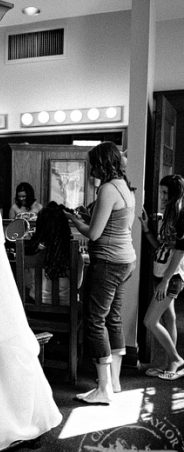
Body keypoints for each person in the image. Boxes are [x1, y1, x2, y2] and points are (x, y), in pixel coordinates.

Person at [65, 142, 136, 405]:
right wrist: (90, 214)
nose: (91, 167)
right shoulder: (125, 188)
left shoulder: (107, 189)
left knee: (95, 320)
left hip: (108, 262)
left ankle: (103, 389)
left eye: (94, 162)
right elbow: (117, 225)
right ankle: (114, 382)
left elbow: (94, 234)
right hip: (126, 260)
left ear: (103, 163)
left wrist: (75, 220)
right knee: (113, 319)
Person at [139, 174, 184, 381]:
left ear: (175, 194)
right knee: (169, 318)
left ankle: (175, 359)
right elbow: (162, 249)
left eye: (166, 193)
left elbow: (179, 252)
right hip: (162, 274)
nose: (162, 196)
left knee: (150, 321)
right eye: (161, 192)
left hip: (171, 278)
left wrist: (165, 281)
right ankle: (169, 364)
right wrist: (147, 230)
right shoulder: (169, 215)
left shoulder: (181, 215)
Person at [25, 201, 84, 306]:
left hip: (36, 309)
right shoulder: (73, 254)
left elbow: (27, 283)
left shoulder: (31, 251)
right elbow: (77, 284)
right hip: (67, 311)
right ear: (64, 227)